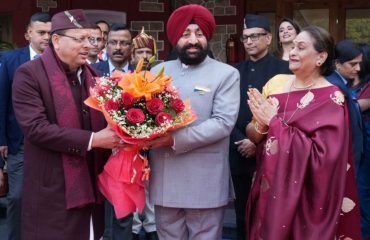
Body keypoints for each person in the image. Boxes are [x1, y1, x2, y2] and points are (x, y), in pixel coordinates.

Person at [12, 9, 125, 239]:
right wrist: (93, 140)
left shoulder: (94, 77)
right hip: (52, 189)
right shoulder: (30, 75)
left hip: (91, 186)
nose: (88, 45)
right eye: (80, 39)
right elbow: (36, 129)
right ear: (56, 40)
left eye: (91, 39)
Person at [245, 25, 361, 239]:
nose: (293, 52)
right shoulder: (278, 86)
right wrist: (262, 124)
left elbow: (325, 157)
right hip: (270, 188)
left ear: (321, 57)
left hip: (308, 199)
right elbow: (255, 135)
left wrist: (274, 121)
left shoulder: (331, 97)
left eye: (301, 47)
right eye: (292, 47)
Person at [142, 4, 240, 240]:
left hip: (204, 180)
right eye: (186, 34)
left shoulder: (225, 74)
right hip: (165, 178)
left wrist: (173, 139)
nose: (193, 40)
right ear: (176, 38)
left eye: (199, 34)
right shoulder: (158, 71)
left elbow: (222, 123)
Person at [229, 14, 290, 240]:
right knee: (242, 211)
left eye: (255, 36)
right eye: (246, 38)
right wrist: (242, 140)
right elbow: (226, 112)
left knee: (274, 210)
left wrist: (259, 141)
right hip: (238, 149)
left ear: (268, 38)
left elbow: (288, 113)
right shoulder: (233, 72)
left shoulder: (285, 69)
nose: (250, 42)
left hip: (273, 150)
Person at [0, 12, 51, 240]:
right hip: (18, 141)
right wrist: (1, 139)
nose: (46, 38)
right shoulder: (10, 60)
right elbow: (1, 101)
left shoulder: (58, 61)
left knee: (47, 199)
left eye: (50, 33)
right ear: (28, 33)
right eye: (41, 33)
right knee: (18, 196)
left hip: (50, 142)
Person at [92, 23, 135, 240]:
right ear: (106, 45)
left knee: (123, 212)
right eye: (114, 42)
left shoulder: (143, 74)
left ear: (131, 47)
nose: (119, 47)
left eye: (124, 43)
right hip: (96, 149)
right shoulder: (91, 72)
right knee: (97, 212)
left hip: (130, 154)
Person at [130, 28, 159, 240]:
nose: (144, 57)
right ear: (133, 55)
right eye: (140, 52)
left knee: (151, 187)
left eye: (148, 52)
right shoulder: (125, 79)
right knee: (132, 185)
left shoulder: (161, 78)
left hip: (155, 143)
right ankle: (133, 227)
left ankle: (152, 226)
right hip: (130, 144)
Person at [332, 39, 363, 171]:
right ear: (337, 64)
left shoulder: (342, 83)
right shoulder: (333, 87)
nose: (358, 68)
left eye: (359, 64)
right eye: (353, 64)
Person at [350, 43, 370, 239]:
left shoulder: (368, 86)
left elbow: (354, 108)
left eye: (358, 61)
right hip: (349, 145)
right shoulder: (344, 83)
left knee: (363, 193)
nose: (354, 66)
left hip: (366, 145)